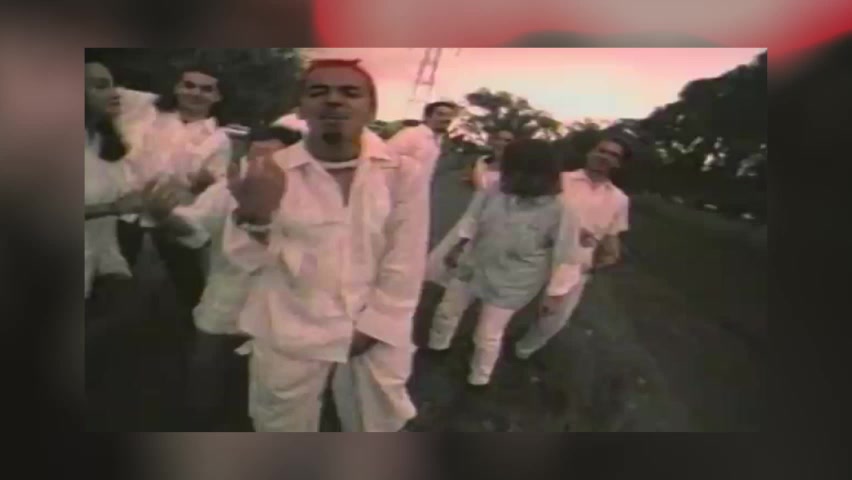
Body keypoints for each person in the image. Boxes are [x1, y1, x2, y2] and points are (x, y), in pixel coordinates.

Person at [223, 59, 429, 432]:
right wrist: (256, 216)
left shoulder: (401, 173)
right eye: (319, 92)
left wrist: (376, 326)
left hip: (378, 325)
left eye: (350, 92)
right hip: (290, 323)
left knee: (378, 420)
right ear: (301, 108)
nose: (334, 100)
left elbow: (406, 259)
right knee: (279, 422)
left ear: (372, 109)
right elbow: (242, 260)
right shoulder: (271, 169)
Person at [146, 125, 300, 430]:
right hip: (224, 300)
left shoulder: (311, 199)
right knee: (205, 376)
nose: (259, 167)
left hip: (281, 312)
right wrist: (165, 216)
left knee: (270, 394)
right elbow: (194, 227)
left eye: (271, 159)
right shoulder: (227, 190)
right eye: (254, 157)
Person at [426, 139, 582, 386]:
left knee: (487, 334)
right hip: (474, 263)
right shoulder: (495, 188)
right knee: (447, 311)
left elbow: (567, 256)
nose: (506, 174)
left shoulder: (561, 209)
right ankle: (437, 347)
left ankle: (479, 379)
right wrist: (458, 246)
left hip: (515, 279)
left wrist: (555, 295)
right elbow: (472, 218)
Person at [115, 63, 233, 321]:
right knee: (115, 276)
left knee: (188, 282)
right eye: (189, 85)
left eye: (206, 89)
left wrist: (200, 185)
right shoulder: (148, 113)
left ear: (217, 96)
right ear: (177, 87)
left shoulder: (219, 139)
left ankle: (194, 327)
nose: (196, 93)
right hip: (127, 210)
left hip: (173, 215)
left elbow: (214, 186)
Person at [513, 136, 631, 359]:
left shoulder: (619, 199)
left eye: (613, 155)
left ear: (619, 163)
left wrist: (607, 255)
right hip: (539, 253)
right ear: (590, 152)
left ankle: (522, 351)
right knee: (509, 301)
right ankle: (490, 338)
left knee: (555, 317)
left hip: (576, 263)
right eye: (602, 150)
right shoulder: (561, 179)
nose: (605, 157)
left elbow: (611, 234)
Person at [425, 128, 516, 287]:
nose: (502, 143)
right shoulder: (482, 162)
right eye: (499, 139)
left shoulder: (513, 170)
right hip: (472, 211)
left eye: (507, 141)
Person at [386, 101, 458, 180]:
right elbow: (386, 160)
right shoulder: (410, 134)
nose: (446, 119)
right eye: (441, 114)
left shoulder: (441, 141)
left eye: (450, 116)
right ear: (427, 117)